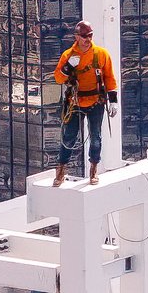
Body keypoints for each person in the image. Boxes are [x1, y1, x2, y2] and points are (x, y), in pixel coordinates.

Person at [50, 22, 119, 185]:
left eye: (90, 36)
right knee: (69, 137)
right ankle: (61, 169)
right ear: (76, 37)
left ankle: (93, 168)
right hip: (75, 102)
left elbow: (109, 77)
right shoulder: (68, 55)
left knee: (96, 138)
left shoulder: (101, 54)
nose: (87, 39)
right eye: (84, 36)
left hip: (96, 101)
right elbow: (58, 78)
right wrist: (67, 67)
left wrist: (113, 100)